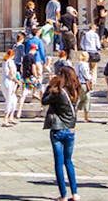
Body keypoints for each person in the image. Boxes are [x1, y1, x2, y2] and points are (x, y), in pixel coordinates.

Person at [41, 71, 80, 201]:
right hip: (70, 130)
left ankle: (63, 195)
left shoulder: (58, 92)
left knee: (59, 162)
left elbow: (44, 100)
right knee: (69, 161)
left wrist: (49, 85)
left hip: (57, 129)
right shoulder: (74, 91)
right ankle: (75, 193)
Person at [1, 49, 20, 127]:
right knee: (9, 100)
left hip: (4, 82)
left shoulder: (4, 61)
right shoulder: (10, 62)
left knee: (14, 99)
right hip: (9, 82)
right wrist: (17, 81)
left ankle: (11, 117)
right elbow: (11, 74)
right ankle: (5, 120)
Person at [73, 51, 93, 123]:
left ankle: (75, 112)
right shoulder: (84, 64)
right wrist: (90, 78)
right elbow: (86, 74)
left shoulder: (78, 64)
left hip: (79, 83)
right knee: (87, 99)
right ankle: (86, 117)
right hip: (84, 83)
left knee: (82, 99)